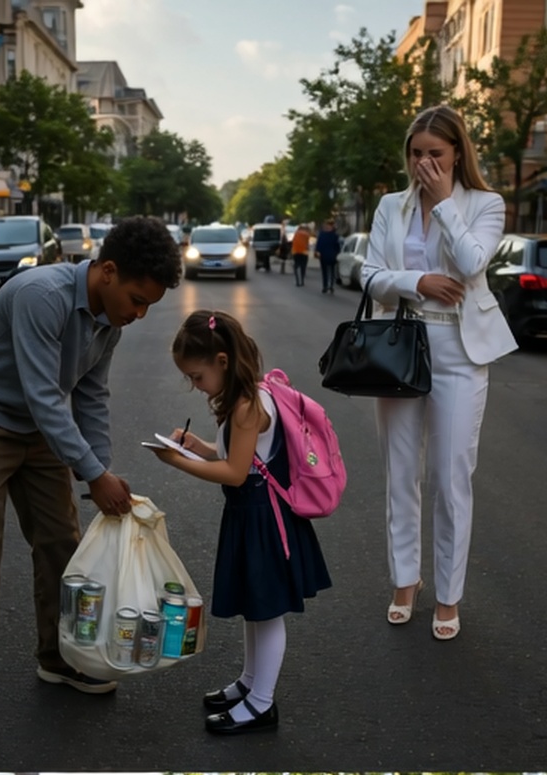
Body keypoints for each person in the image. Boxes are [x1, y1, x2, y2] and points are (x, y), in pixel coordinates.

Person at [0, 217, 183, 745]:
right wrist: (92, 474)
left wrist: (103, 471)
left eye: (148, 307)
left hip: (37, 429)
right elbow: (46, 394)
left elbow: (89, 396)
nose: (138, 315)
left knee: (64, 550)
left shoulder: (108, 320)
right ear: (107, 271)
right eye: (136, 299)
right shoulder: (42, 295)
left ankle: (60, 658)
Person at [360, 104, 516, 640]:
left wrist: (446, 202)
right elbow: (371, 275)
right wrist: (418, 281)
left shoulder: (485, 203)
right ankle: (407, 580)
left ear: (456, 155)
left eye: (436, 154)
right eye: (416, 153)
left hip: (459, 350)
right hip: (401, 345)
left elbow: (473, 264)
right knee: (400, 473)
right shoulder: (390, 207)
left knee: (451, 480)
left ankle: (448, 594)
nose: (424, 163)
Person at [148, 309, 331, 736]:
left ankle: (262, 704)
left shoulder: (249, 404)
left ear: (222, 362)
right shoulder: (245, 398)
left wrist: (177, 461)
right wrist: (197, 446)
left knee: (266, 611)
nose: (195, 386)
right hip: (251, 511)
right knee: (255, 605)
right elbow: (237, 456)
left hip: (264, 516)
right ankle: (250, 685)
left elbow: (235, 470)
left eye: (196, 376)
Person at [315, 219, 341, 294]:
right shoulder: (322, 234)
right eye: (327, 225)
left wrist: (337, 253)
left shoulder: (335, 236)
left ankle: (331, 286)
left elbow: (337, 246)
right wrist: (317, 251)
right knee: (324, 271)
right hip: (323, 255)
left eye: (330, 226)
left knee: (332, 271)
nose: (328, 227)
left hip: (332, 255)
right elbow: (319, 244)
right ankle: (325, 286)